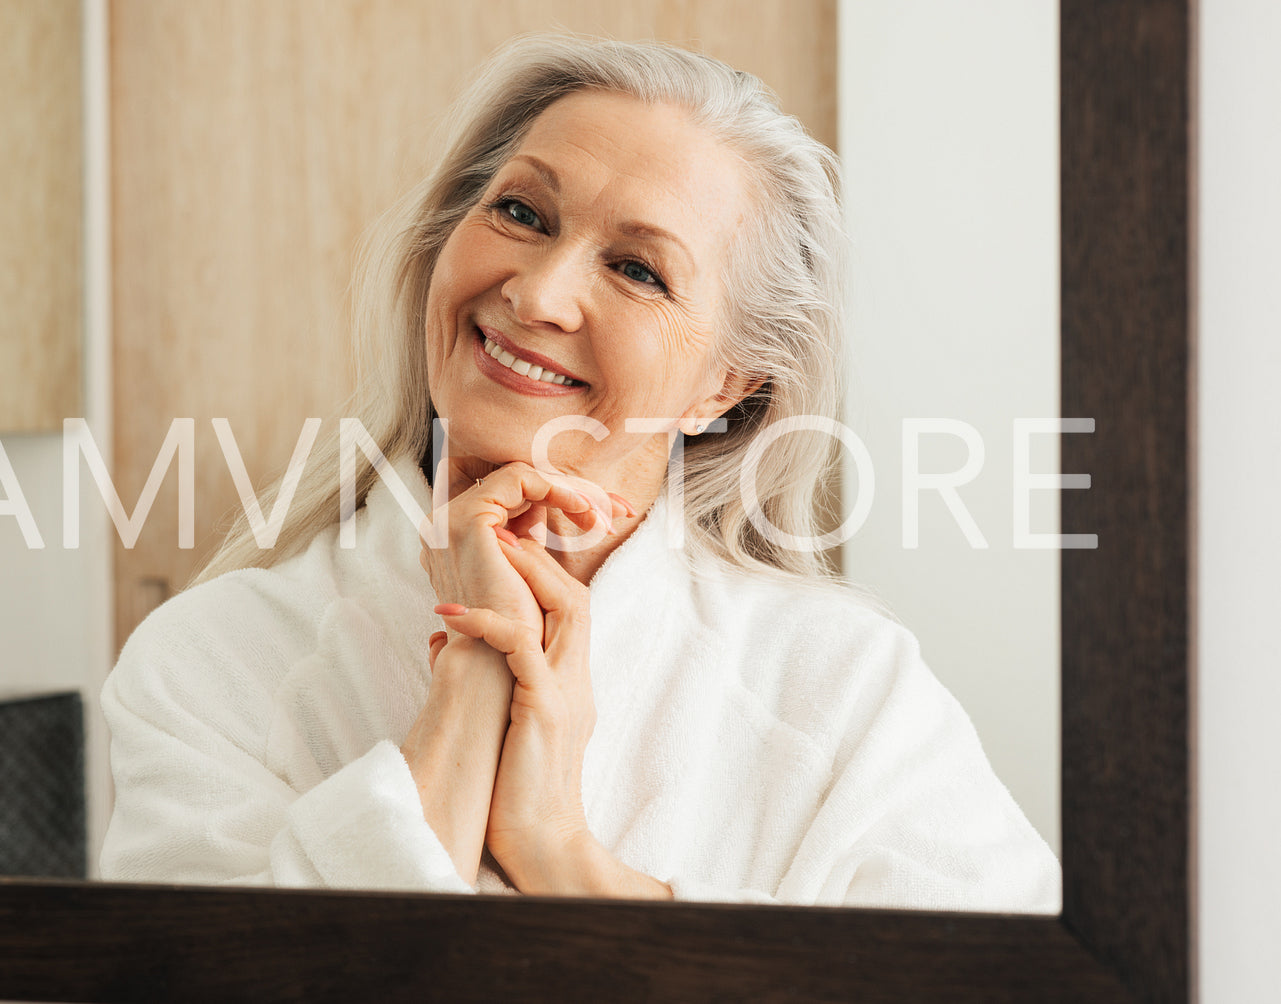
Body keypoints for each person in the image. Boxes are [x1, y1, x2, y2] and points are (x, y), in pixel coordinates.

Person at [99, 34, 1060, 911]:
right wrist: (475, 673)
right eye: (520, 211)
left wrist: (559, 854)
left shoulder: (843, 691)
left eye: (640, 270)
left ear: (724, 386)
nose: (539, 293)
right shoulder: (210, 659)